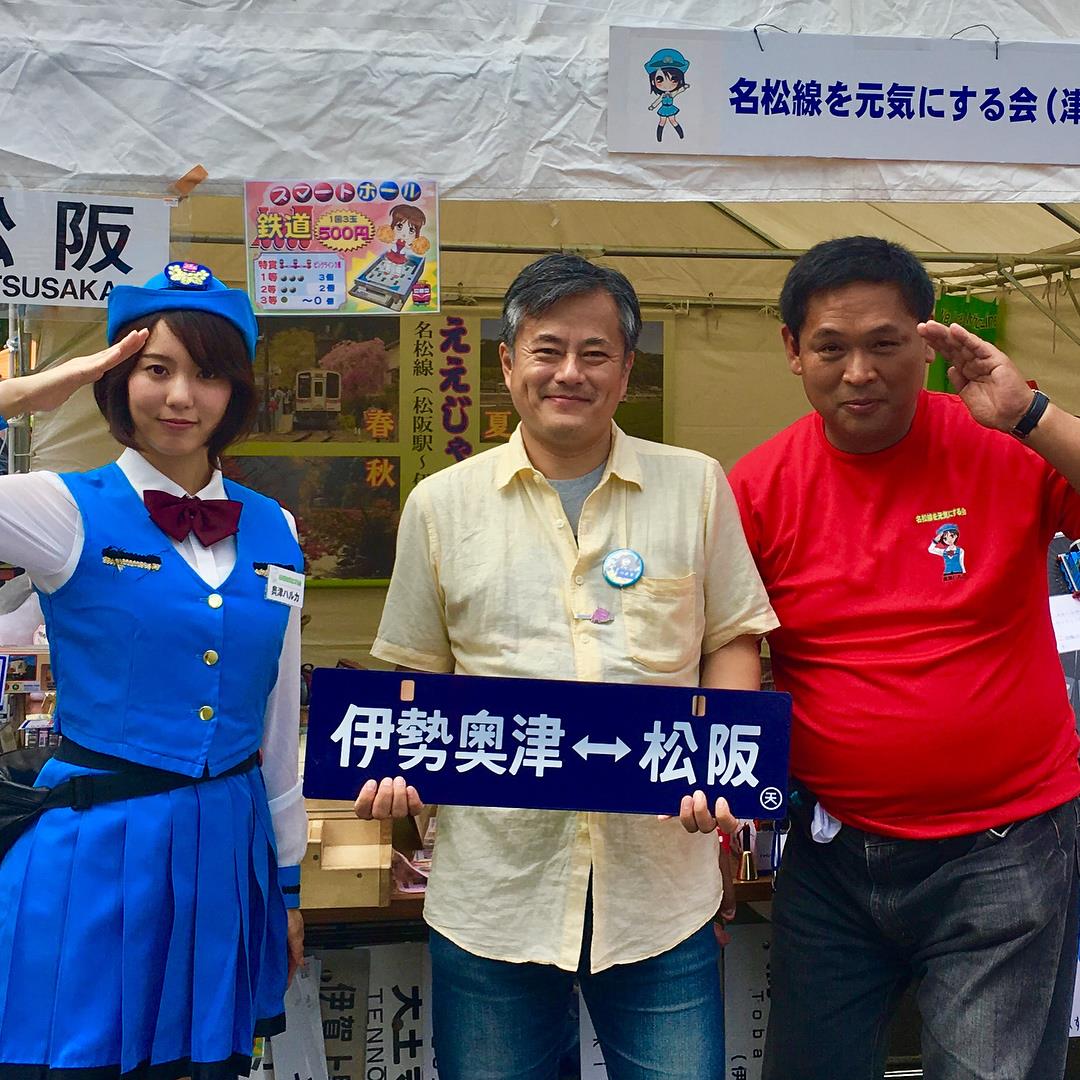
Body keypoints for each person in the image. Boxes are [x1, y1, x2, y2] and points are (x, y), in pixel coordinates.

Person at [356, 253, 778, 1080]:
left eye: (595, 353)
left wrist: (723, 770)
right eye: (547, 350)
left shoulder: (695, 486)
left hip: (659, 895)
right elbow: (416, 674)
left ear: (627, 369)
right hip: (494, 894)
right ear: (507, 362)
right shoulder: (442, 505)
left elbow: (732, 636)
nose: (569, 373)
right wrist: (400, 767)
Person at [727, 235, 1080, 1080]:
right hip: (831, 855)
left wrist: (1030, 412)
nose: (860, 373)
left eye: (885, 344)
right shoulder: (758, 487)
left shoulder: (1003, 441)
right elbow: (730, 645)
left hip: (1004, 849)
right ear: (792, 350)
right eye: (831, 348)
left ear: (927, 341)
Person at [0, 261, 308, 1078]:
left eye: (207, 374)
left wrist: (287, 886)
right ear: (116, 378)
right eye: (155, 369)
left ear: (235, 391)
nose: (181, 397)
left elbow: (277, 725)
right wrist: (32, 391)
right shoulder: (61, 507)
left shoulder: (276, 527)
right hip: (96, 850)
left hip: (228, 849)